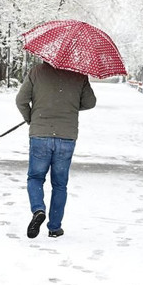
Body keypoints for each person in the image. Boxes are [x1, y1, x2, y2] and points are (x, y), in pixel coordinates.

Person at [15, 61, 96, 239]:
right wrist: (71, 104)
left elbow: (21, 100)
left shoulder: (37, 71)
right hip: (66, 137)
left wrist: (31, 119)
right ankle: (54, 227)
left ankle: (38, 209)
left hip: (40, 134)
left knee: (35, 177)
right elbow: (90, 102)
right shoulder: (79, 74)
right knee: (60, 184)